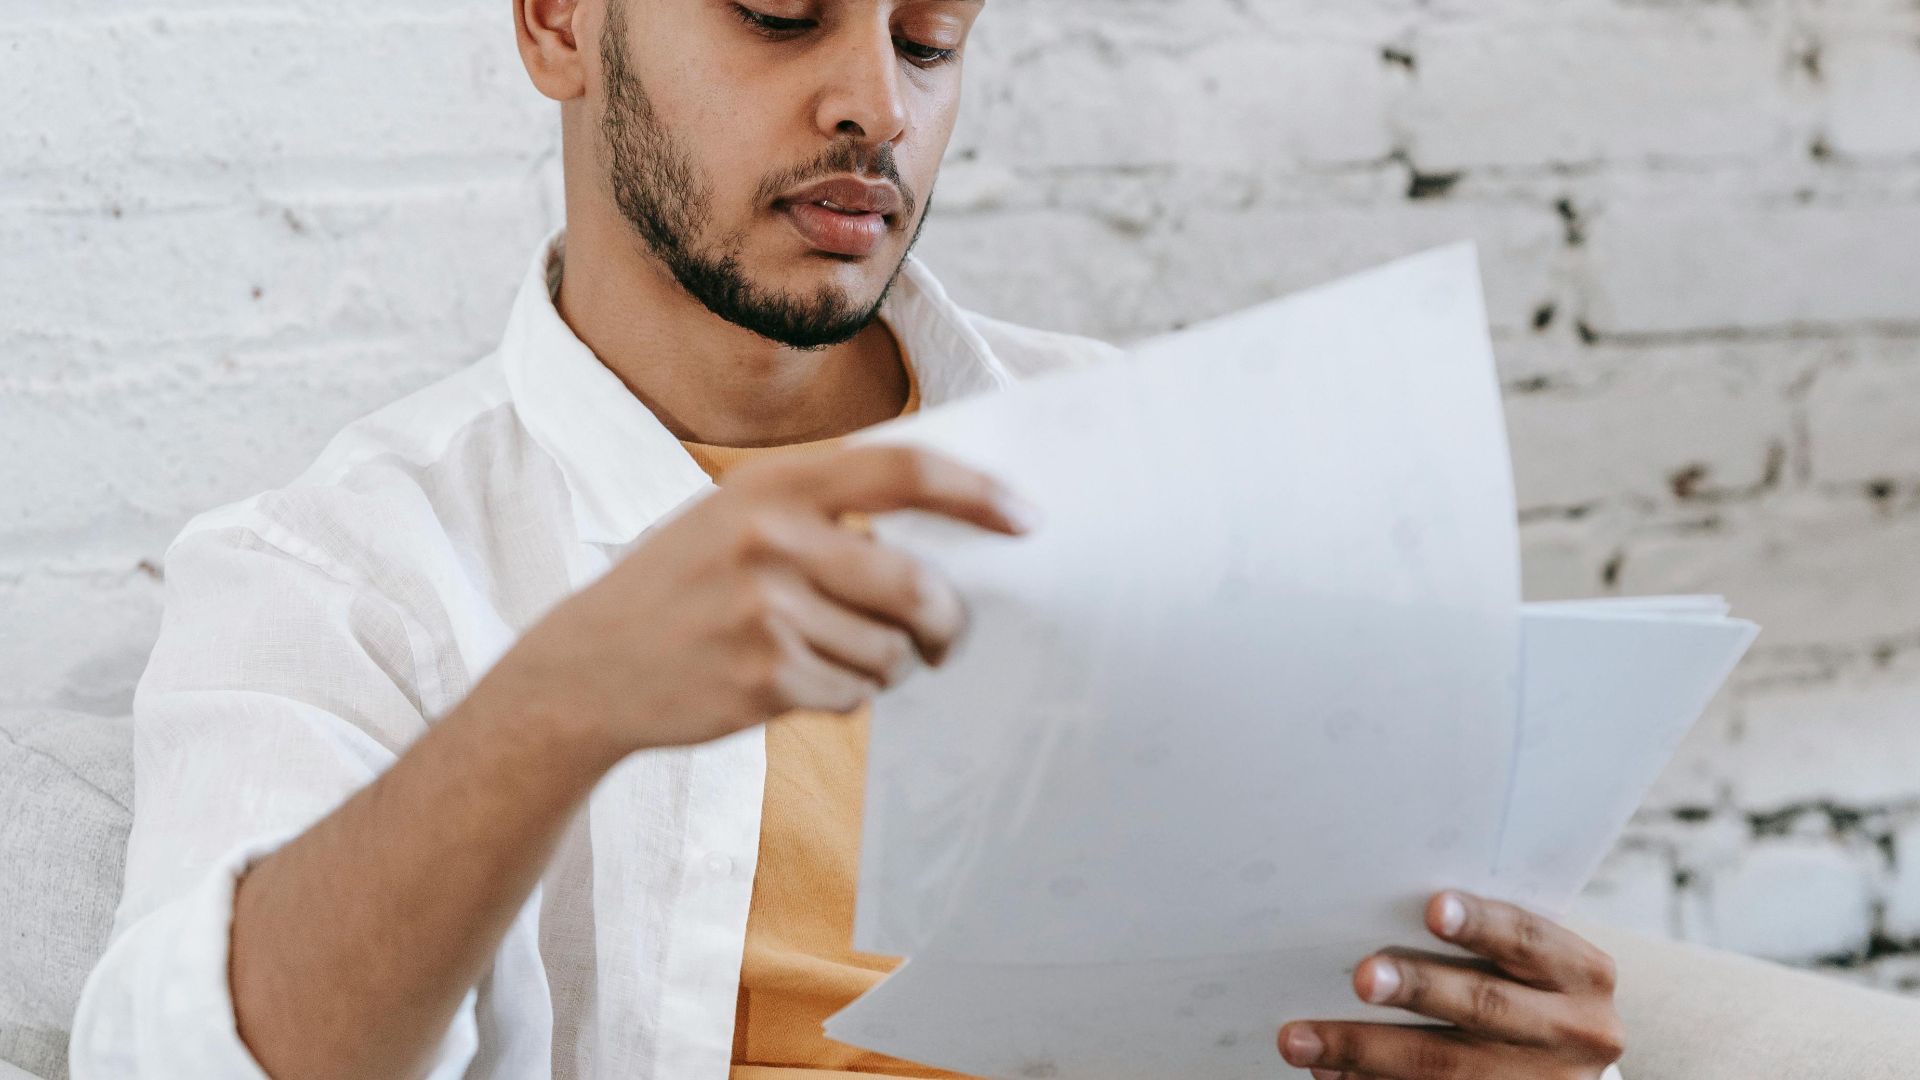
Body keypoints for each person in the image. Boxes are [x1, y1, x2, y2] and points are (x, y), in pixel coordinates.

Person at [70, 2, 1627, 1078]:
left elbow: (1340, 997)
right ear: (559, 24)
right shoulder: (346, 566)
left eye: (931, 39)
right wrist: (560, 704)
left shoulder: (1171, 478)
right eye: (777, 11)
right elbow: (183, 1054)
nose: (875, 103)